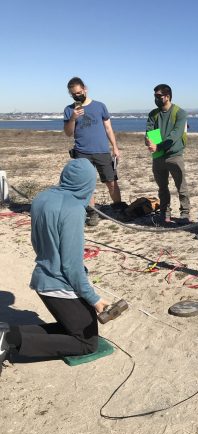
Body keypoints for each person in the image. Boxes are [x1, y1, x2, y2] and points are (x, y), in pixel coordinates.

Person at [0, 159, 110, 371]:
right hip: (58, 286)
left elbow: (35, 241)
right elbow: (71, 266)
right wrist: (94, 299)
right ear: (87, 183)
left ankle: (6, 332)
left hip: (42, 276)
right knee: (87, 343)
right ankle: (11, 341)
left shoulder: (42, 197)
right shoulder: (73, 210)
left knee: (71, 328)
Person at [63, 77, 126, 226]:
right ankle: (92, 212)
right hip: (81, 152)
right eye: (73, 94)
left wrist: (115, 147)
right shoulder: (69, 110)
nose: (77, 96)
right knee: (87, 184)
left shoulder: (100, 106)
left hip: (102, 151)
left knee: (111, 181)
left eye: (79, 92)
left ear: (85, 89)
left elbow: (108, 128)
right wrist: (73, 118)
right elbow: (68, 133)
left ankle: (118, 209)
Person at [145, 84, 191, 224]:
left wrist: (157, 146)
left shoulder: (180, 113)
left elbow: (175, 135)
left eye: (159, 96)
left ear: (167, 96)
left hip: (174, 155)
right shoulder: (153, 114)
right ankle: (165, 213)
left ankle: (185, 214)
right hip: (158, 157)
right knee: (162, 188)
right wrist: (150, 143)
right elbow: (150, 132)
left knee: (181, 186)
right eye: (155, 96)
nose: (156, 99)